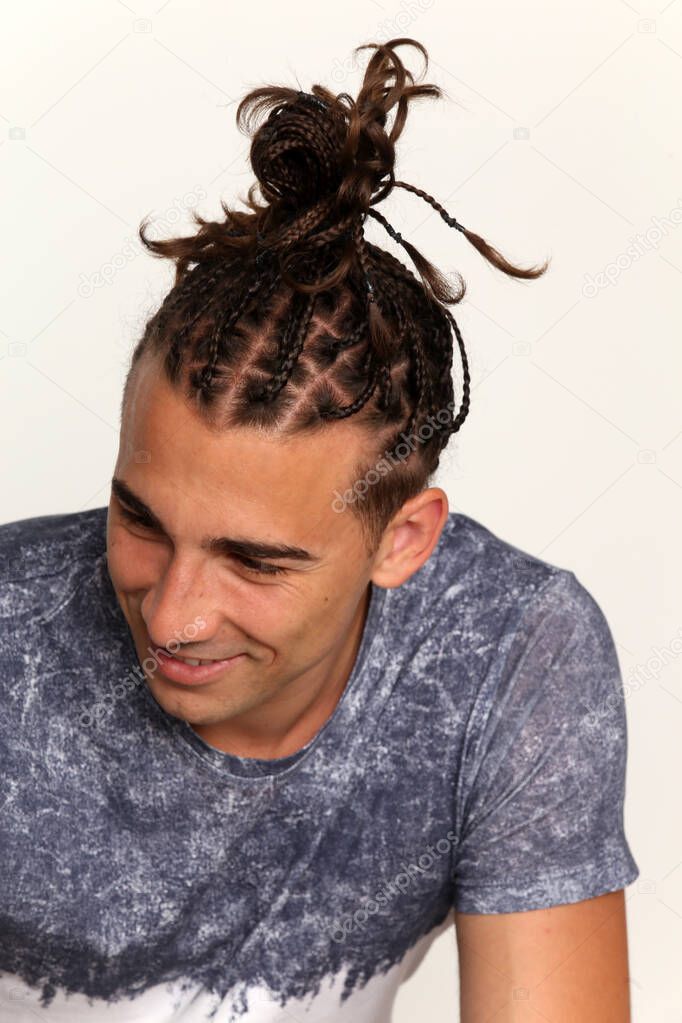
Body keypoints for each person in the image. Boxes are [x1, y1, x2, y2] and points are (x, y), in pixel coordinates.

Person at [0, 36, 639, 1023]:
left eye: (253, 562)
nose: (173, 616)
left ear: (404, 540)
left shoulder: (508, 653)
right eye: (140, 519)